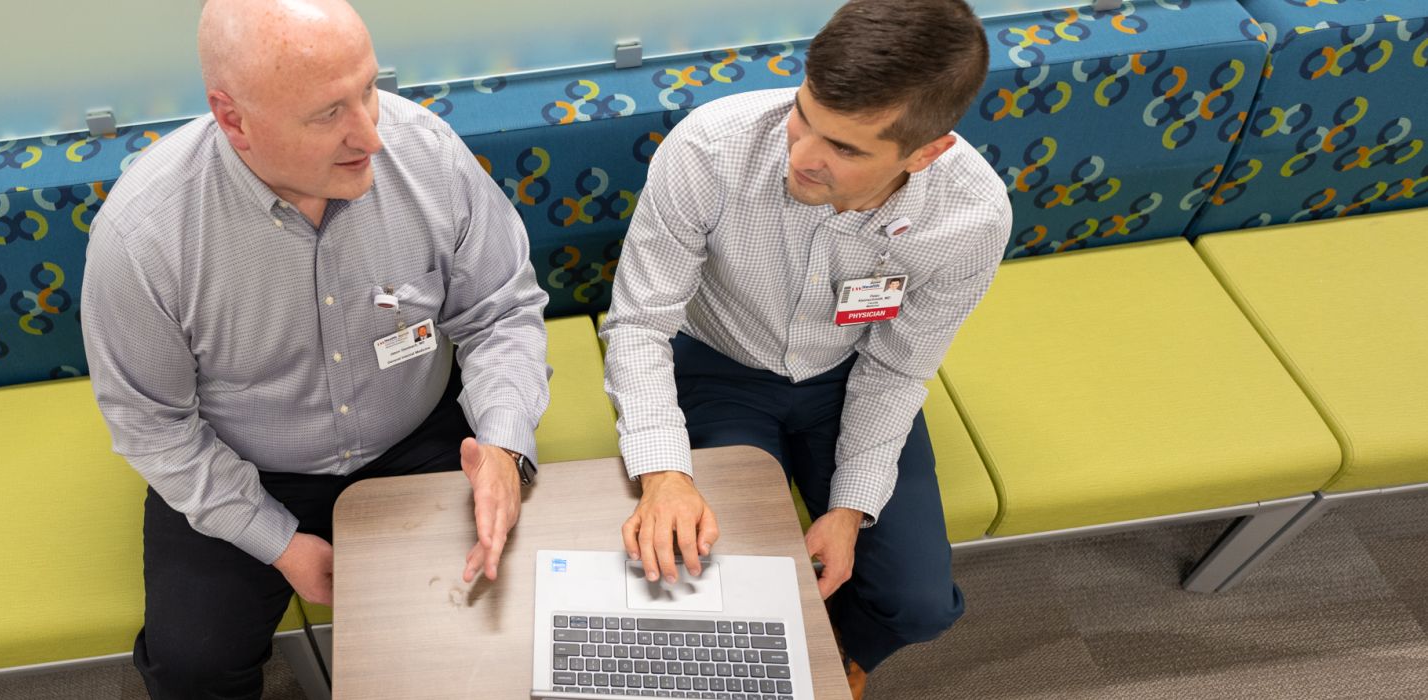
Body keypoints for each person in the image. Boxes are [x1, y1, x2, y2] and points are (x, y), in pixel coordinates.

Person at [79, 0, 550, 696]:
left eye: (368, 89)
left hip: (418, 434)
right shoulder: (143, 239)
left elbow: (499, 312)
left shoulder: (426, 152)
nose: (372, 135)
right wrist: (278, 543)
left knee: (502, 615)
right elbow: (154, 428)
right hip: (247, 465)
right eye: (328, 113)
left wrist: (507, 450)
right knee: (194, 666)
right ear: (233, 118)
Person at [599, 0, 1009, 696]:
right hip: (716, 366)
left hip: (853, 377)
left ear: (927, 151)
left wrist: (848, 510)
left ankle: (844, 655)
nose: (802, 156)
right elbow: (640, 324)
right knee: (723, 579)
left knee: (919, 604)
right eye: (804, 114)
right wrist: (664, 473)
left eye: (845, 149)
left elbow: (898, 368)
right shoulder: (709, 148)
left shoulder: (972, 216)